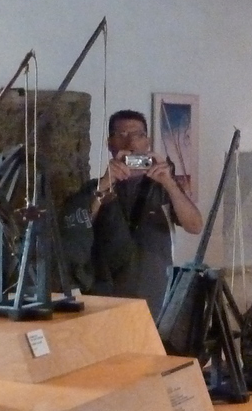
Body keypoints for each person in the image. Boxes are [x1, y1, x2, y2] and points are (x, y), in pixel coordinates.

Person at [84, 109, 204, 318]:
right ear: (110, 143)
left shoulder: (163, 187)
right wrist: (105, 183)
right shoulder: (97, 188)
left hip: (154, 297)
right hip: (105, 296)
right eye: (122, 135)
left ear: (147, 142)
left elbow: (195, 226)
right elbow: (80, 225)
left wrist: (169, 183)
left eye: (138, 135)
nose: (131, 143)